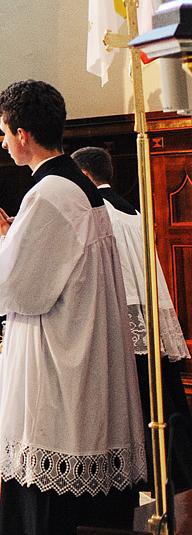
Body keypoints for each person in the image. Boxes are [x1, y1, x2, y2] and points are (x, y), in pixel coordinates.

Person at [0, 81, 146, 535]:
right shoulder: (77, 188)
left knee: (48, 498)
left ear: (23, 133)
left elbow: (8, 288)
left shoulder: (49, 194)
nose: (0, 144)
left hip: (56, 372)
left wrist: (1, 251)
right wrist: (13, 245)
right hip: (76, 357)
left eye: (2, 132)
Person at [71, 145, 192, 491]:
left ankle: (162, 478)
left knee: (142, 409)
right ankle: (179, 474)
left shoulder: (100, 213)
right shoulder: (134, 212)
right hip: (147, 315)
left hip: (123, 317)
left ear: (83, 176)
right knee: (163, 399)